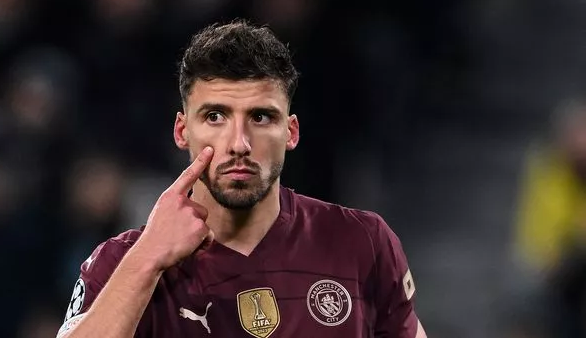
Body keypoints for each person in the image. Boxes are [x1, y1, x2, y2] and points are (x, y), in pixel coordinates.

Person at [56, 20, 427, 338]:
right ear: (182, 131)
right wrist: (149, 258)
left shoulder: (363, 243)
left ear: (291, 132)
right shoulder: (122, 262)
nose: (239, 143)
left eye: (261, 117)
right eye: (215, 116)